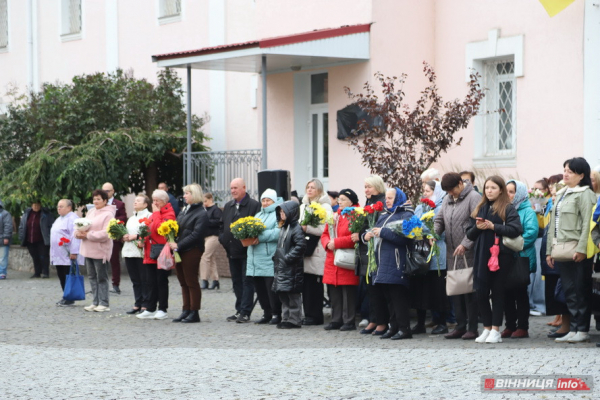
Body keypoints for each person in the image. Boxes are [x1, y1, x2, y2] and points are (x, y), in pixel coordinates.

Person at [466, 176, 523, 343]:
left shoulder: (507, 207)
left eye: (493, 188)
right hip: (481, 255)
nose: (489, 191)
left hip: (501, 256)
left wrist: (494, 226)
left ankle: (496, 330)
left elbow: (516, 230)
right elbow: (469, 234)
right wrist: (477, 227)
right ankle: (487, 328)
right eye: (487, 188)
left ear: (500, 190)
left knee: (498, 292)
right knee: (481, 292)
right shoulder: (480, 207)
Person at [546, 157, 597, 343]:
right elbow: (553, 225)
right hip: (561, 249)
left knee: (580, 289)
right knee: (568, 290)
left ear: (581, 175)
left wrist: (582, 248)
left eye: (570, 171)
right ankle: (574, 328)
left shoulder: (586, 194)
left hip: (577, 248)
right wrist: (549, 251)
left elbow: (587, 224)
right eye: (565, 170)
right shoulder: (561, 194)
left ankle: (582, 329)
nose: (565, 174)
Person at [435, 173, 481, 340]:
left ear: (461, 183)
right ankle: (460, 326)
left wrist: (466, 243)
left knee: (470, 291)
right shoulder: (448, 199)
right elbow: (439, 219)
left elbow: (478, 224)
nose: (450, 193)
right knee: (456, 290)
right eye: (447, 191)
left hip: (469, 252)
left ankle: (473, 328)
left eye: (452, 189)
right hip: (452, 252)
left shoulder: (473, 197)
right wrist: (435, 233)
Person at [367, 188, 414, 340]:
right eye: (386, 197)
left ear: (399, 198)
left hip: (396, 261)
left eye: (390, 198)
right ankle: (393, 327)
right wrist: (366, 235)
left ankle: (404, 328)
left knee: (398, 297)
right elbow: (375, 230)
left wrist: (382, 232)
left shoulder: (406, 214)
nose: (386, 200)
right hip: (382, 261)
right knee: (389, 297)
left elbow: (406, 238)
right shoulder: (385, 214)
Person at [219, 178, 261, 323]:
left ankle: (245, 311)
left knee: (247, 281)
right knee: (236, 281)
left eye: (236, 188)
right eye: (231, 188)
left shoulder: (254, 205)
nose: (233, 191)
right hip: (231, 251)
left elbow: (257, 226)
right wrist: (223, 239)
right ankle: (239, 309)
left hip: (247, 251)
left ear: (244, 188)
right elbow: (221, 226)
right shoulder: (228, 205)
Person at [411, 180, 449, 335]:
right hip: (421, 253)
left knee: (437, 291)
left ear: (437, 191)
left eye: (428, 191)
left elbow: (444, 231)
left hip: (437, 254)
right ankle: (420, 323)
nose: (425, 193)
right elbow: (413, 223)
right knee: (420, 289)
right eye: (424, 190)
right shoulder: (420, 207)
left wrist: (426, 231)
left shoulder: (442, 207)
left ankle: (441, 322)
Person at [502, 180, 538, 339]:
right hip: (506, 258)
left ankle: (523, 327)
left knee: (520, 293)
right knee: (506, 293)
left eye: (512, 192)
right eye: (507, 191)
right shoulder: (504, 210)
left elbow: (531, 233)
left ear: (520, 193)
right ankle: (509, 325)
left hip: (521, 258)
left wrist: (512, 243)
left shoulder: (527, 211)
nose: (508, 195)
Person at [321, 188, 360, 331]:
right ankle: (336, 319)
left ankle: (349, 321)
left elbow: (354, 237)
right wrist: (327, 243)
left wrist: (336, 243)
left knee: (348, 292)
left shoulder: (356, 214)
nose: (340, 202)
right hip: (332, 257)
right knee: (334, 291)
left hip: (346, 257)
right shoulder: (335, 215)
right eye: (339, 199)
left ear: (351, 201)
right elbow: (325, 233)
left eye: (343, 199)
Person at [354, 175, 388, 335]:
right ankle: (374, 319)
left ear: (377, 187)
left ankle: (381, 321)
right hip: (367, 251)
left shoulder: (381, 204)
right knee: (370, 288)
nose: (366, 190)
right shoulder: (369, 202)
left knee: (377, 289)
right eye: (365, 186)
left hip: (377, 251)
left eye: (369, 186)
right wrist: (361, 236)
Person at [169, 183, 208, 324]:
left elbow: (196, 235)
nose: (184, 196)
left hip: (192, 250)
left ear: (194, 195)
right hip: (180, 250)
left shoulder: (201, 213)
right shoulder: (185, 210)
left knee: (191, 281)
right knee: (183, 281)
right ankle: (186, 310)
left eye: (187, 193)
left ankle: (194, 312)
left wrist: (179, 244)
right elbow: (178, 227)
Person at [136, 189, 176, 320]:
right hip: (150, 252)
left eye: (156, 201)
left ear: (164, 201)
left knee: (161, 281)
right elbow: (149, 229)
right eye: (153, 200)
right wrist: (142, 240)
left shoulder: (169, 214)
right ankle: (150, 307)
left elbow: (159, 229)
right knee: (150, 282)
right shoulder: (155, 213)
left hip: (161, 253)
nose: (154, 203)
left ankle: (163, 309)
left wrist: (157, 213)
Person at [246, 189, 284, 324]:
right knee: (260, 288)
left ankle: (276, 314)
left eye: (268, 200)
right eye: (263, 200)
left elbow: (278, 232)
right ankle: (266, 312)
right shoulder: (258, 215)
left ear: (274, 201)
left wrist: (259, 237)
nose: (265, 203)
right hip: (255, 257)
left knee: (271, 288)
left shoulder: (278, 214)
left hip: (269, 257)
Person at [299, 178, 333, 326]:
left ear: (319, 190)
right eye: (308, 187)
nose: (309, 190)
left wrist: (307, 228)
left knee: (315, 284)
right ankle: (307, 314)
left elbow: (326, 228)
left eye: (313, 187)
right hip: (305, 248)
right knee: (306, 283)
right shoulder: (304, 206)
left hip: (317, 249)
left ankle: (316, 315)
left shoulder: (325, 207)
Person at [75, 190, 116, 312]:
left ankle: (104, 302)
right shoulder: (91, 212)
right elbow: (82, 226)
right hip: (88, 249)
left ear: (105, 200)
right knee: (92, 276)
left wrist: (87, 235)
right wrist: (78, 233)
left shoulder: (108, 214)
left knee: (101, 277)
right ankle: (95, 301)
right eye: (94, 199)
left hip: (100, 250)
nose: (96, 201)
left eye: (98, 199)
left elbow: (106, 233)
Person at [272, 200, 307, 329]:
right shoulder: (284, 227)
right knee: (283, 293)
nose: (281, 214)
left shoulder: (296, 228)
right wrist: (277, 257)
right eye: (280, 212)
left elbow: (300, 245)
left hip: (292, 268)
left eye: (284, 211)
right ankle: (286, 317)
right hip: (282, 266)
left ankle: (294, 319)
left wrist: (287, 258)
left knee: (292, 294)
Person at [121, 194, 152, 314]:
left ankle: (146, 302)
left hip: (141, 252)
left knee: (144, 279)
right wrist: (124, 236)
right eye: (135, 201)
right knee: (135, 280)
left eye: (138, 201)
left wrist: (136, 236)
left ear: (145, 204)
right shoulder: (131, 218)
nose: (135, 202)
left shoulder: (149, 216)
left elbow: (149, 232)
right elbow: (127, 232)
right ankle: (137, 302)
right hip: (129, 251)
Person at [50, 199, 82, 306]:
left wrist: (74, 251)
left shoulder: (73, 219)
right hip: (59, 253)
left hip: (67, 254)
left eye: (61, 206)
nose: (59, 208)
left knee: (67, 275)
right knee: (61, 275)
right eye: (58, 206)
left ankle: (69, 297)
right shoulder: (59, 219)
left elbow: (75, 237)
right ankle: (66, 295)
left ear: (69, 207)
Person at [528, 178, 550, 317]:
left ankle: (540, 304)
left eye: (539, 189)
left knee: (539, 273)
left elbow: (543, 224)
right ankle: (533, 303)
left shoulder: (545, 202)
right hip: (534, 237)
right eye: (533, 189)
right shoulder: (534, 202)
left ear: (545, 190)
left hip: (541, 237)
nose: (535, 192)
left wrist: (538, 210)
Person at [102, 182, 127, 294]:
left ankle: (115, 284)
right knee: (100, 261)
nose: (106, 193)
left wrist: (112, 220)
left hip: (113, 236)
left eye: (108, 191)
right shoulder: (99, 203)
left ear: (113, 191)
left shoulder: (119, 204)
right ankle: (101, 284)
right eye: (104, 191)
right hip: (101, 236)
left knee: (114, 261)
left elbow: (123, 217)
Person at [19, 202, 54, 279]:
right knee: (35, 256)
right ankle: (37, 273)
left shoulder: (46, 214)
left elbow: (51, 226)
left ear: (40, 205)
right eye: (34, 205)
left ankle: (45, 272)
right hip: (30, 239)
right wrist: (21, 237)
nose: (36, 206)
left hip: (42, 239)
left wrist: (49, 235)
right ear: (31, 206)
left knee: (44, 256)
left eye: (38, 205)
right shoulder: (26, 214)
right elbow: (22, 226)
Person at [200, 192, 222, 290]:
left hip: (213, 236)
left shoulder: (216, 210)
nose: (204, 203)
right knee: (211, 259)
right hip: (206, 236)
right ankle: (215, 280)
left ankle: (204, 280)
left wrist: (206, 222)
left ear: (210, 199)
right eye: (203, 202)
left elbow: (219, 221)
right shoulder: (204, 210)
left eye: (205, 201)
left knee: (205, 257)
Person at [0, 199, 13, 280]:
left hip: (2, 239)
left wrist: (6, 237)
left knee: (3, 257)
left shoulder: (5, 214)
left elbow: (8, 226)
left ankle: (2, 272)